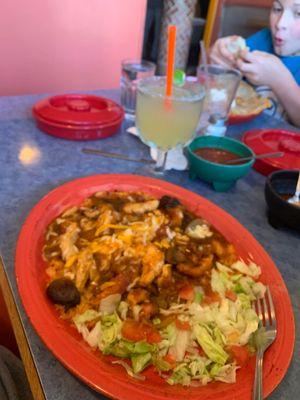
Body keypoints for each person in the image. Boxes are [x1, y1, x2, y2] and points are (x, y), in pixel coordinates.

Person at [209, 0, 300, 127]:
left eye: (299, 13)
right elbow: (225, 77)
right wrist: (221, 58)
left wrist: (279, 80)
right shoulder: (263, 39)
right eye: (277, 9)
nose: (280, 23)